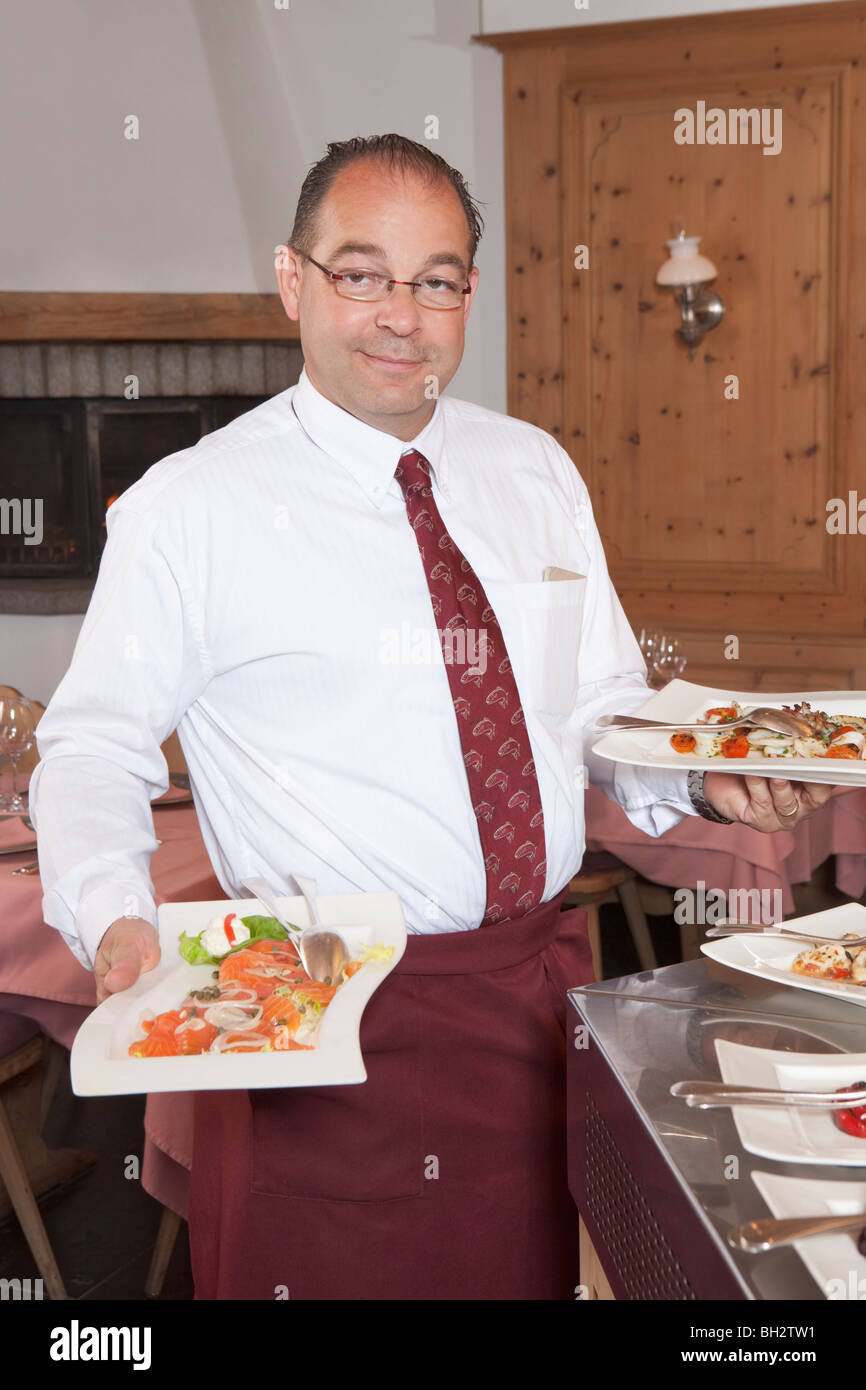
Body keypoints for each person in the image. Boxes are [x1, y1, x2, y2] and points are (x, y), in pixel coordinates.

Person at [30, 133, 837, 1300]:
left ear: (468, 293)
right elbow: (92, 746)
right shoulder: (190, 509)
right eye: (361, 273)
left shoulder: (534, 471)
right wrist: (113, 917)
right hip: (326, 1019)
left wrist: (703, 777)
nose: (399, 314)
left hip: (540, 988)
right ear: (292, 281)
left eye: (437, 279)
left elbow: (600, 707)